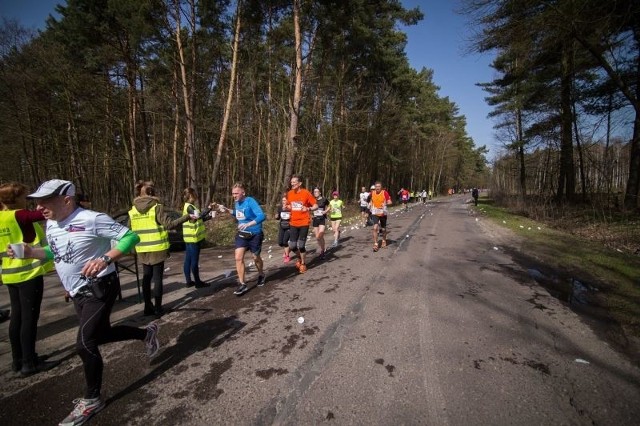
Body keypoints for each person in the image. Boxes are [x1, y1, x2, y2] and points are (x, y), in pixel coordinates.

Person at [12, 179, 159, 426]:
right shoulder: (51, 223)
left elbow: (130, 237)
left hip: (100, 286)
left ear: (66, 200)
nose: (38, 207)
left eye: (44, 202)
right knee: (100, 335)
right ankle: (146, 334)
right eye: (36, 202)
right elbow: (57, 253)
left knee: (84, 343)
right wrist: (30, 253)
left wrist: (105, 258)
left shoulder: (92, 218)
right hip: (78, 290)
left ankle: (92, 399)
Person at [0, 182, 58, 376]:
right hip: (28, 273)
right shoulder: (19, 214)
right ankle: (29, 363)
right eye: (24, 197)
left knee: (16, 317)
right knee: (29, 319)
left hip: (10, 274)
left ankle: (18, 360)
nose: (27, 201)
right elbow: (43, 214)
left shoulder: (1, 217)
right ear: (15, 199)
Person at [129, 181, 191, 317]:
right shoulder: (156, 207)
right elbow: (169, 225)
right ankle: (158, 308)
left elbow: (129, 230)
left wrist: (132, 248)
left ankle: (147, 307)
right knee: (157, 278)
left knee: (146, 278)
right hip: (157, 248)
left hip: (142, 249)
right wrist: (187, 217)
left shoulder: (132, 210)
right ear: (152, 193)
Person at [219, 182, 266, 296]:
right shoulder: (237, 203)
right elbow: (238, 214)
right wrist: (227, 210)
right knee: (238, 258)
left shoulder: (250, 201)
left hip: (255, 233)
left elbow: (262, 216)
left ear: (243, 193)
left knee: (255, 257)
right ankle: (242, 284)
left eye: (236, 193)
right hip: (242, 234)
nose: (234, 196)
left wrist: (249, 224)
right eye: (232, 194)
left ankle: (261, 274)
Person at [286, 175, 319, 273]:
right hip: (293, 222)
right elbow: (289, 204)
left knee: (301, 245)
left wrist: (308, 208)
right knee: (292, 246)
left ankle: (303, 263)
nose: (292, 184)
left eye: (294, 182)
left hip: (304, 222)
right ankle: (300, 257)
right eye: (291, 182)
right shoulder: (290, 193)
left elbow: (316, 206)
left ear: (300, 183)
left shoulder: (306, 193)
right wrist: (287, 207)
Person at [181, 187, 213, 289]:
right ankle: (197, 282)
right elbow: (199, 216)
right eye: (194, 194)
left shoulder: (190, 206)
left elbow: (199, 219)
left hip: (189, 237)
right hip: (193, 238)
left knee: (188, 260)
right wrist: (209, 208)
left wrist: (210, 216)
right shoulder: (190, 207)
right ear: (190, 195)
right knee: (194, 260)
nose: (196, 196)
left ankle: (189, 281)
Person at [368, 181, 392, 252]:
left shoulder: (384, 193)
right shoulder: (372, 193)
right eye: (376, 186)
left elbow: (390, 201)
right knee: (375, 227)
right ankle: (375, 243)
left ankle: (384, 240)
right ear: (374, 187)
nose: (377, 188)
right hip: (375, 213)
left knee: (383, 229)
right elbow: (369, 200)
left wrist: (385, 204)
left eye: (379, 186)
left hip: (383, 213)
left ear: (381, 187)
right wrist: (369, 205)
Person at [312, 187, 329, 259]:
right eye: (314, 192)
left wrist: (325, 211)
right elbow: (309, 208)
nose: (315, 193)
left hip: (322, 218)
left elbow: (329, 205)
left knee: (320, 235)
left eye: (317, 191)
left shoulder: (324, 199)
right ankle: (322, 248)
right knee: (317, 237)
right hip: (315, 219)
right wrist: (311, 215)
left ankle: (322, 251)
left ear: (320, 192)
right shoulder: (312, 200)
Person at [276, 194, 292, 263]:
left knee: (285, 241)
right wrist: (276, 216)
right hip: (282, 226)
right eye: (282, 200)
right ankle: (288, 249)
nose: (283, 201)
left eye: (285, 200)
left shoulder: (290, 208)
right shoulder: (280, 208)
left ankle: (287, 256)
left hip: (289, 227)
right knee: (280, 243)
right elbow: (278, 217)